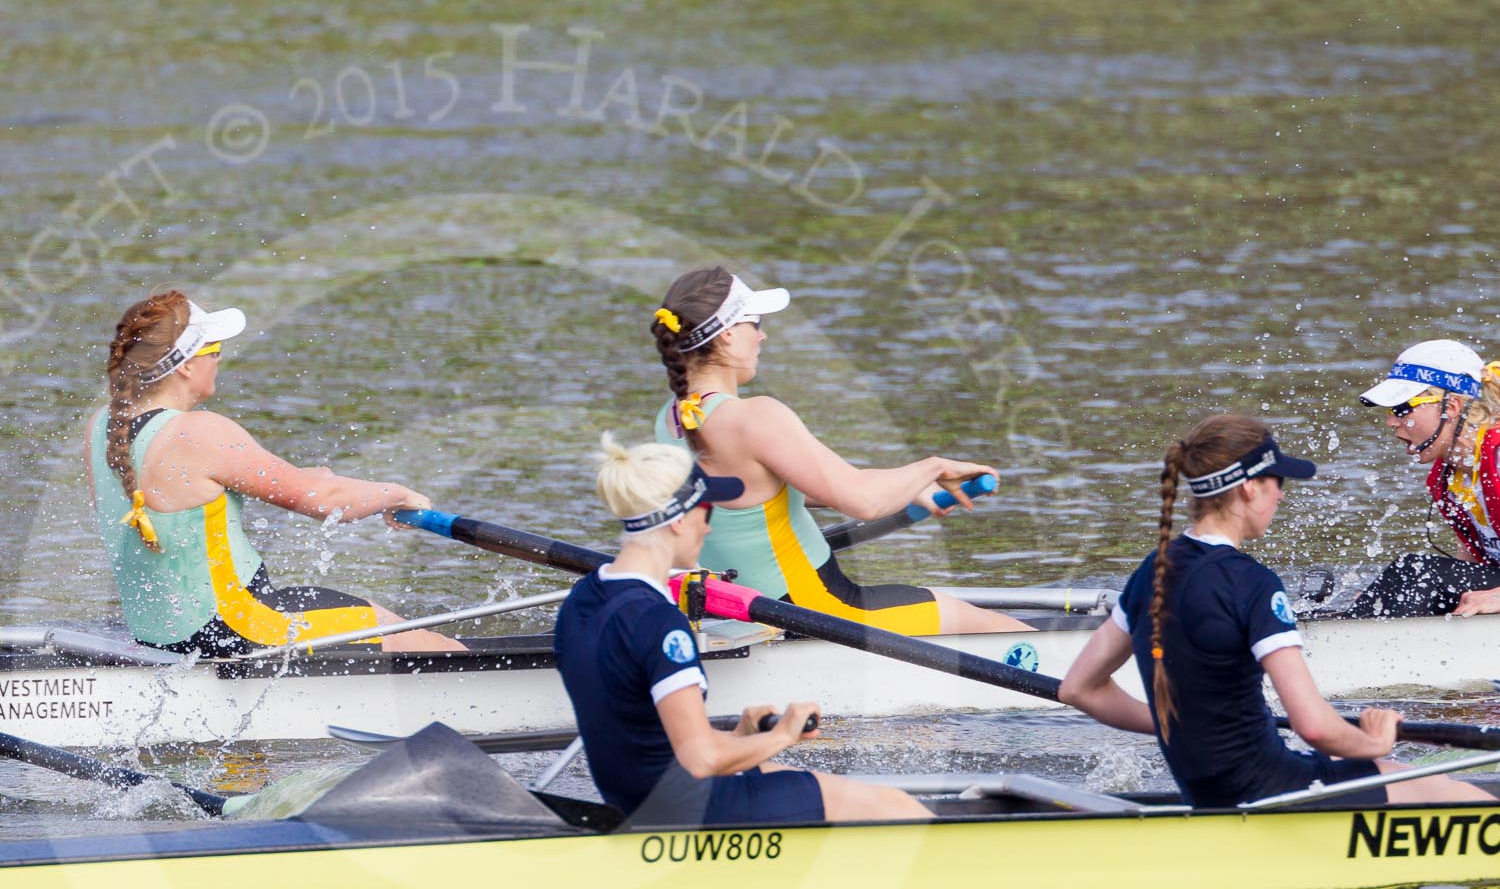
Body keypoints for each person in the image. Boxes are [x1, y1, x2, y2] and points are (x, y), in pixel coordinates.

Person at [1058, 413, 1488, 808]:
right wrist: (1374, 742)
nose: (1281, 495)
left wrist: (1185, 728)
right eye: (1277, 481)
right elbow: (1313, 725)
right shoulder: (1251, 584)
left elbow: (1079, 689)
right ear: (1250, 487)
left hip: (1208, 790)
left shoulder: (1152, 571)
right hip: (1274, 790)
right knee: (1468, 798)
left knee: (1416, 782)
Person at [552, 434, 930, 826]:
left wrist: (741, 736)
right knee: (900, 809)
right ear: (680, 521)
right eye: (708, 512)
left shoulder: (584, 599)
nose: (709, 529)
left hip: (637, 796)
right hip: (688, 808)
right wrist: (783, 734)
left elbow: (642, 738)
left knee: (859, 796)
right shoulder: (660, 624)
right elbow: (700, 760)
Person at [649, 266, 1027, 635]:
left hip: (733, 614)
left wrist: (910, 487)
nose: (762, 337)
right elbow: (863, 502)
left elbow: (785, 490)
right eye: (756, 324)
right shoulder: (755, 416)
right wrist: (933, 466)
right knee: (1001, 629)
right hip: (818, 611)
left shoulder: (672, 418)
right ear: (728, 334)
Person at [85, 292, 462, 655]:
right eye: (215, 352)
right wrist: (398, 495)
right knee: (428, 643)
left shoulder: (101, 427)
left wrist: (307, 480)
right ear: (186, 365)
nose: (218, 361)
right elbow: (324, 501)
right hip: (238, 626)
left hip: (160, 636)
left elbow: (184, 490)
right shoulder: (200, 431)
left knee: (350, 611)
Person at [1350, 339, 1500, 617]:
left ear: (1451, 407)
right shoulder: (1452, 476)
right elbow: (1467, 569)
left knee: (1419, 572)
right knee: (1408, 575)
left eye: (1403, 408)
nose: (1391, 422)